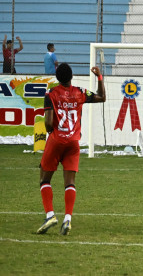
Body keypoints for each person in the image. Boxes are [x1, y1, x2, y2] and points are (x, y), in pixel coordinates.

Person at [35, 64, 106, 235]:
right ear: (72, 76)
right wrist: (99, 77)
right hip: (73, 142)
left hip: (56, 140)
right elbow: (102, 97)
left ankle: (50, 215)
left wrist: (51, 132)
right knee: (70, 182)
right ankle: (67, 218)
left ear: (57, 78)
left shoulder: (50, 94)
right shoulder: (80, 92)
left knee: (44, 178)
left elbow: (48, 122)